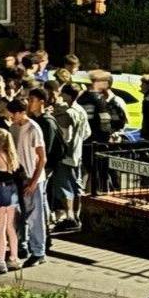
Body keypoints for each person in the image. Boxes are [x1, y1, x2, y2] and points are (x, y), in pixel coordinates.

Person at [8, 99, 47, 266]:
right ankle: (24, 245)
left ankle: (38, 251)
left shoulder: (33, 129)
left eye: (12, 114)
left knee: (35, 215)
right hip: (19, 176)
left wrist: (33, 182)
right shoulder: (13, 128)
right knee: (21, 215)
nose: (10, 118)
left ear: (19, 113)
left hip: (32, 178)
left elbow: (42, 158)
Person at [52, 84, 90, 231]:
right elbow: (87, 132)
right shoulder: (81, 110)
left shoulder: (66, 113)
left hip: (65, 156)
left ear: (67, 95)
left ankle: (70, 218)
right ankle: (77, 215)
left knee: (65, 187)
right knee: (76, 185)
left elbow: (65, 137)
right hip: (77, 153)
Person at [0, 128, 21, 274]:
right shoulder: (11, 155)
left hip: (0, 191)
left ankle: (0, 260)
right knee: (10, 227)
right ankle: (14, 257)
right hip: (12, 190)